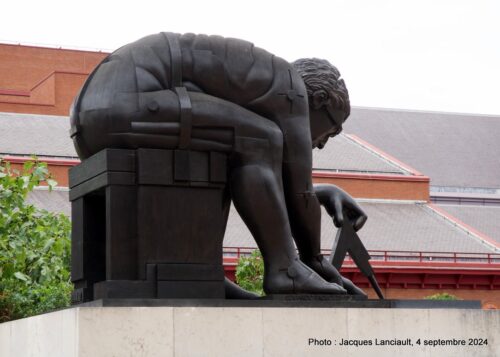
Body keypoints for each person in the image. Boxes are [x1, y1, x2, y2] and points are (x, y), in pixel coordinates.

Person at [70, 32, 367, 295]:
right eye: (331, 129)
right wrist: (313, 258)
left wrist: (320, 193)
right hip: (125, 102)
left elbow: (275, 182)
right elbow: (299, 190)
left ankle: (204, 271)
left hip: (92, 119)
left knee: (233, 140)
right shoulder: (292, 89)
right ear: (319, 99)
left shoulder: (266, 79)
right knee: (260, 139)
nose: (323, 142)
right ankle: (284, 270)